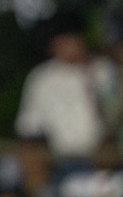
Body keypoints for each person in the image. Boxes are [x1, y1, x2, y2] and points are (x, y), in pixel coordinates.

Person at [15, 29, 115, 164]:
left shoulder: (105, 69)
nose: (69, 46)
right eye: (62, 42)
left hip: (107, 157)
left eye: (71, 39)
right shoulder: (41, 77)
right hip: (60, 161)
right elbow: (29, 129)